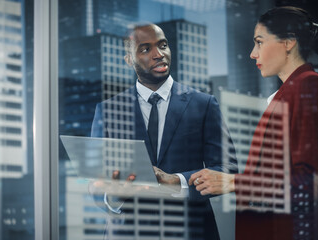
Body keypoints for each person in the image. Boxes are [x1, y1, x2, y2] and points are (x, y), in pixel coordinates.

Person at [189, 6, 318, 240]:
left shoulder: (310, 86)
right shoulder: (287, 94)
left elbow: (312, 183)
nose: (252, 53)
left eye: (259, 42)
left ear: (288, 42)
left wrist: (235, 182)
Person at [91, 23, 238, 239]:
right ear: (129, 60)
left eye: (163, 45)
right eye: (145, 49)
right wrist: (114, 195)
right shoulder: (108, 111)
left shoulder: (203, 104)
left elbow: (228, 168)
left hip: (191, 230)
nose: (159, 54)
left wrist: (177, 181)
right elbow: (95, 182)